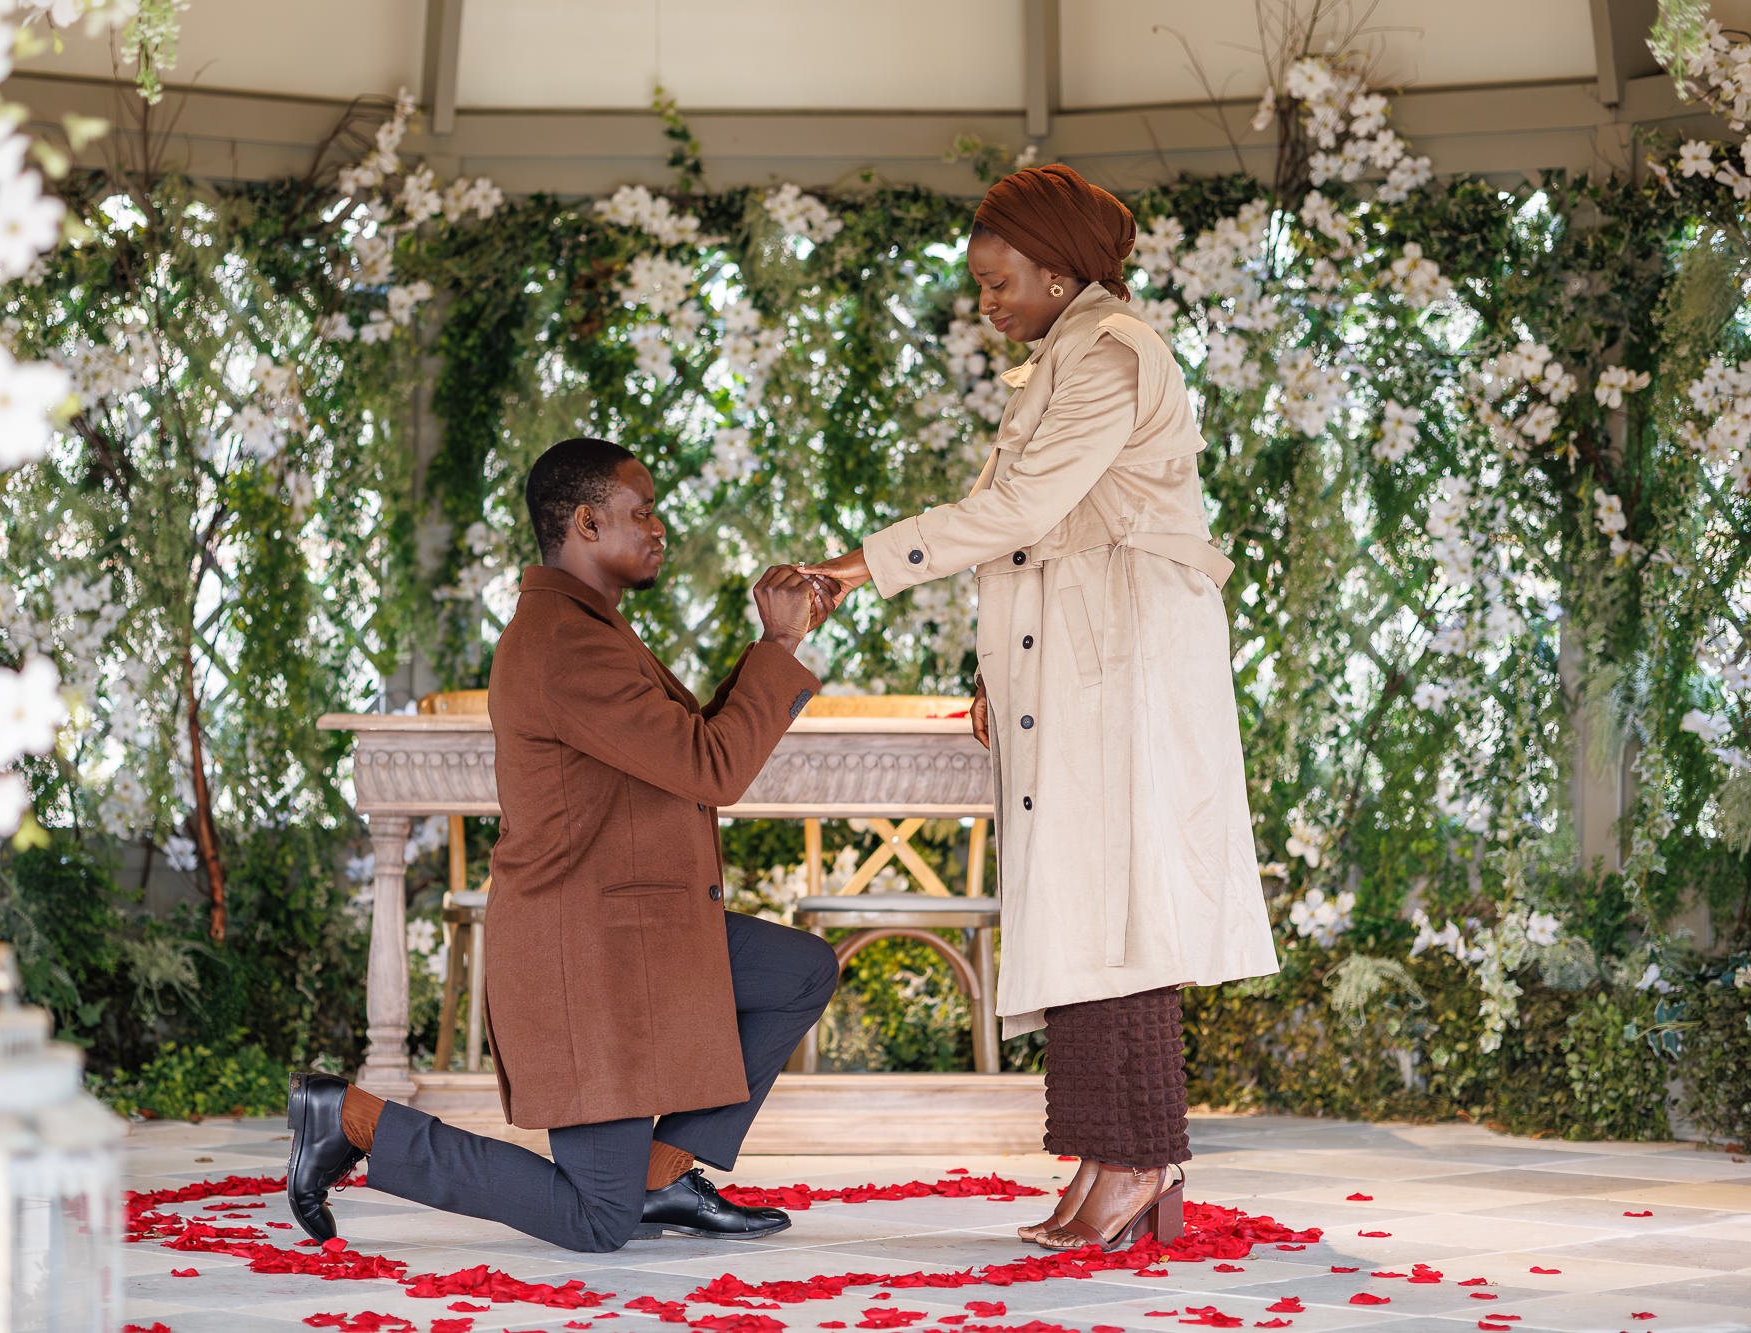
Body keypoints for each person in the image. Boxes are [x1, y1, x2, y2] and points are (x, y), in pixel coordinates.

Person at [800, 164, 1280, 1253]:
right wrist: (999, 676)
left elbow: (1018, 509)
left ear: (1059, 268)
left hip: (1122, 661)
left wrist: (849, 569)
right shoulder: (1067, 356)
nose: (986, 303)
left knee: (1118, 913)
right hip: (1080, 655)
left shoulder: (1109, 354)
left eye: (997, 280)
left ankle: (1141, 1155)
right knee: (1077, 908)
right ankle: (1102, 1156)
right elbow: (1037, 536)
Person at [288, 436, 840, 1253]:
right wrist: (778, 647)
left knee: (798, 969)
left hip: (632, 939)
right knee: (594, 1220)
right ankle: (353, 1118)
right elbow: (712, 766)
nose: (659, 527)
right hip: (585, 963)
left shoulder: (584, 627)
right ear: (586, 520)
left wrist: (770, 651)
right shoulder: (565, 643)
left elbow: (684, 745)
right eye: (641, 510)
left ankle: (658, 1176)